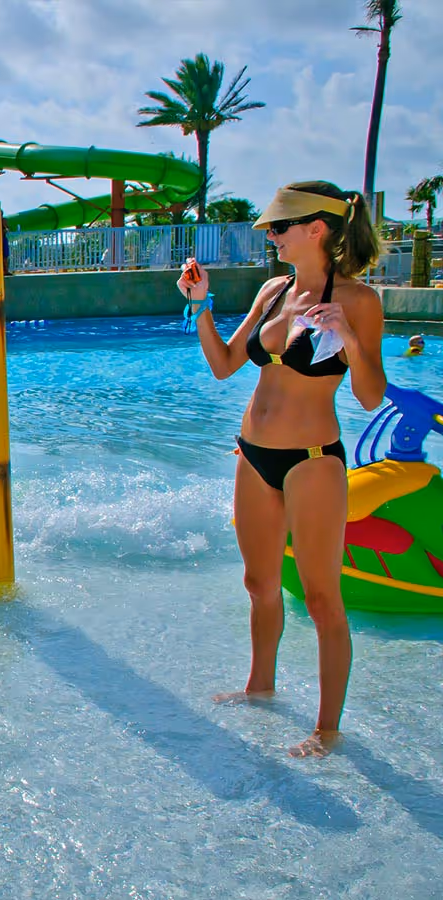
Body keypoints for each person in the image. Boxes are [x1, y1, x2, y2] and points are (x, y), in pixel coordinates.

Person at [176, 181, 386, 758]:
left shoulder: (360, 301)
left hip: (313, 461)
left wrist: (347, 336)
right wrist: (200, 303)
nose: (271, 236)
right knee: (259, 584)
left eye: (279, 227)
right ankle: (260, 687)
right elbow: (224, 366)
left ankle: (328, 729)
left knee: (321, 598)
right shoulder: (273, 291)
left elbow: (371, 396)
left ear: (315, 229)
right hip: (253, 453)